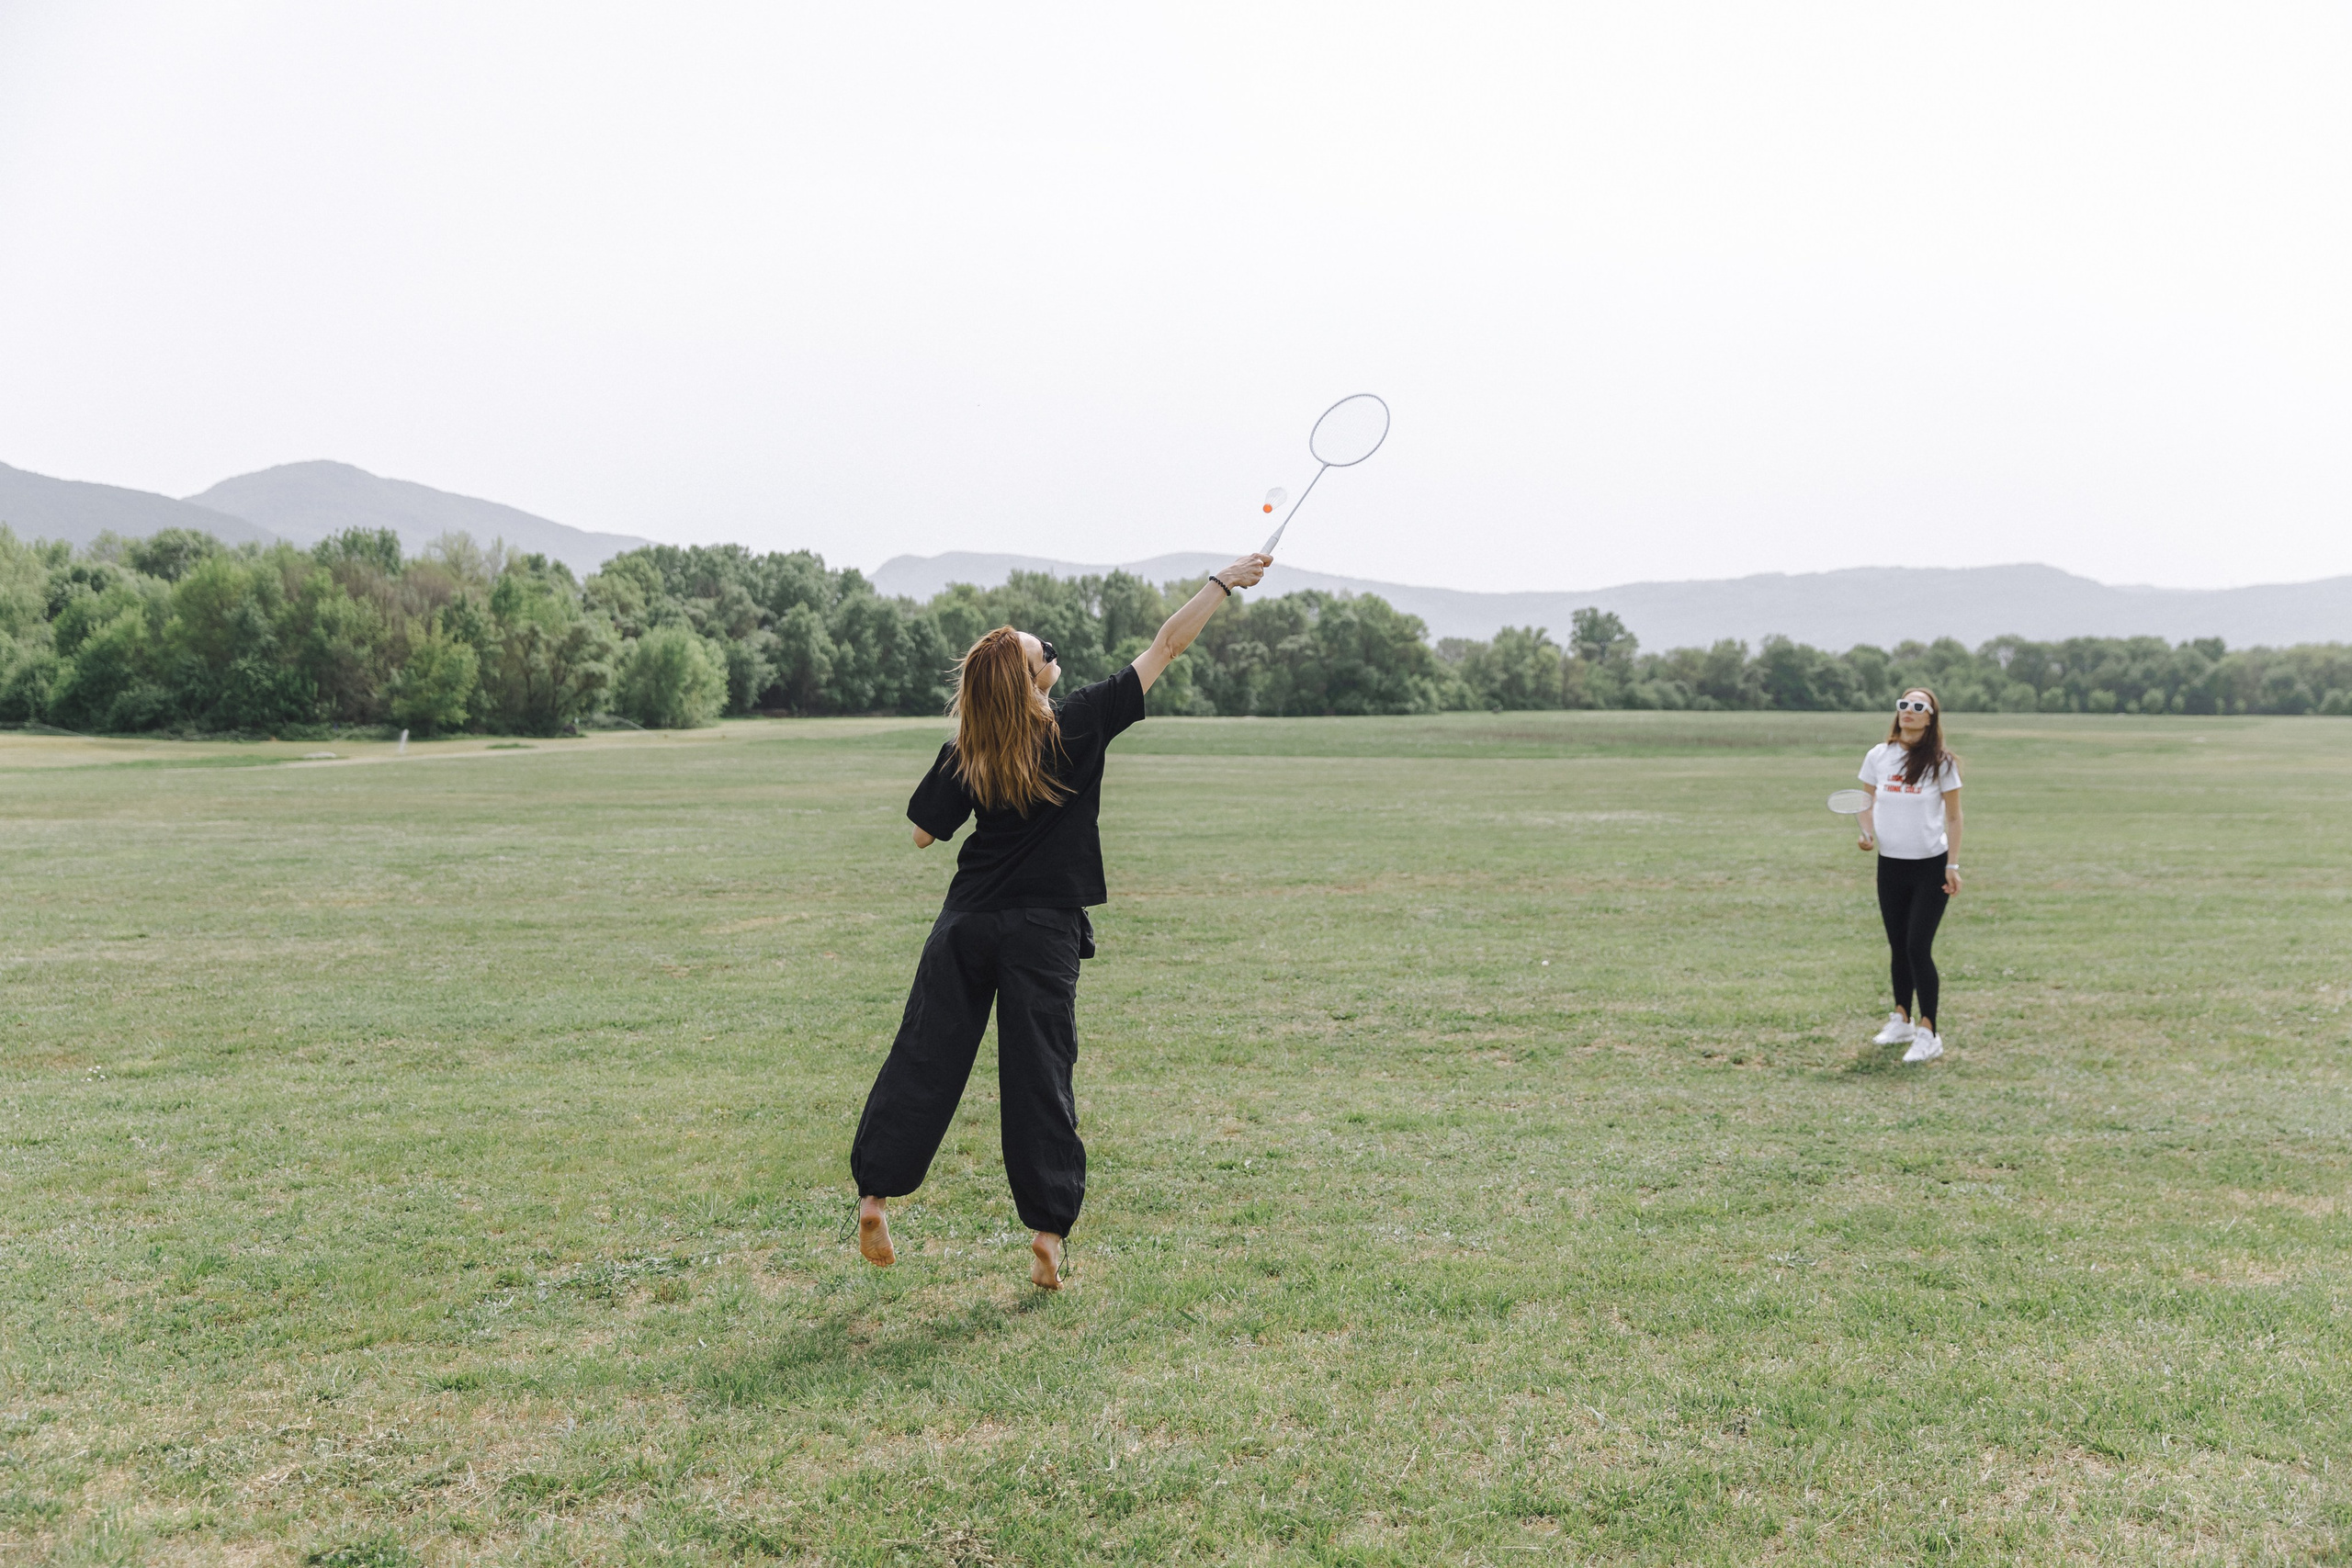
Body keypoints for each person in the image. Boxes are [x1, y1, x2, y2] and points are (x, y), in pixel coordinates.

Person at [850, 552, 1273, 1289]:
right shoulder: (1079, 720)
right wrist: (1221, 583)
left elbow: (922, 834)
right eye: (1038, 649)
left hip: (965, 925)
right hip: (1042, 933)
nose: (1049, 649)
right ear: (1033, 677)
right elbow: (1168, 643)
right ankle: (1047, 1235)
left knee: (925, 1054)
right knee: (1040, 1074)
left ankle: (875, 1197)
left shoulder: (971, 749)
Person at [1855, 686, 1964, 1064]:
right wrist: (1866, 832)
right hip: (1891, 864)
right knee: (1898, 945)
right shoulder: (1879, 756)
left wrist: (1952, 865)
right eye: (1904, 705)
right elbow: (1865, 802)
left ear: (1931, 717)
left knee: (1918, 946)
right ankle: (1901, 1017)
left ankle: (1928, 1031)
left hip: (1930, 865)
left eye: (1919, 707)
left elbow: (1953, 816)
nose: (1909, 711)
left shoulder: (1941, 762)